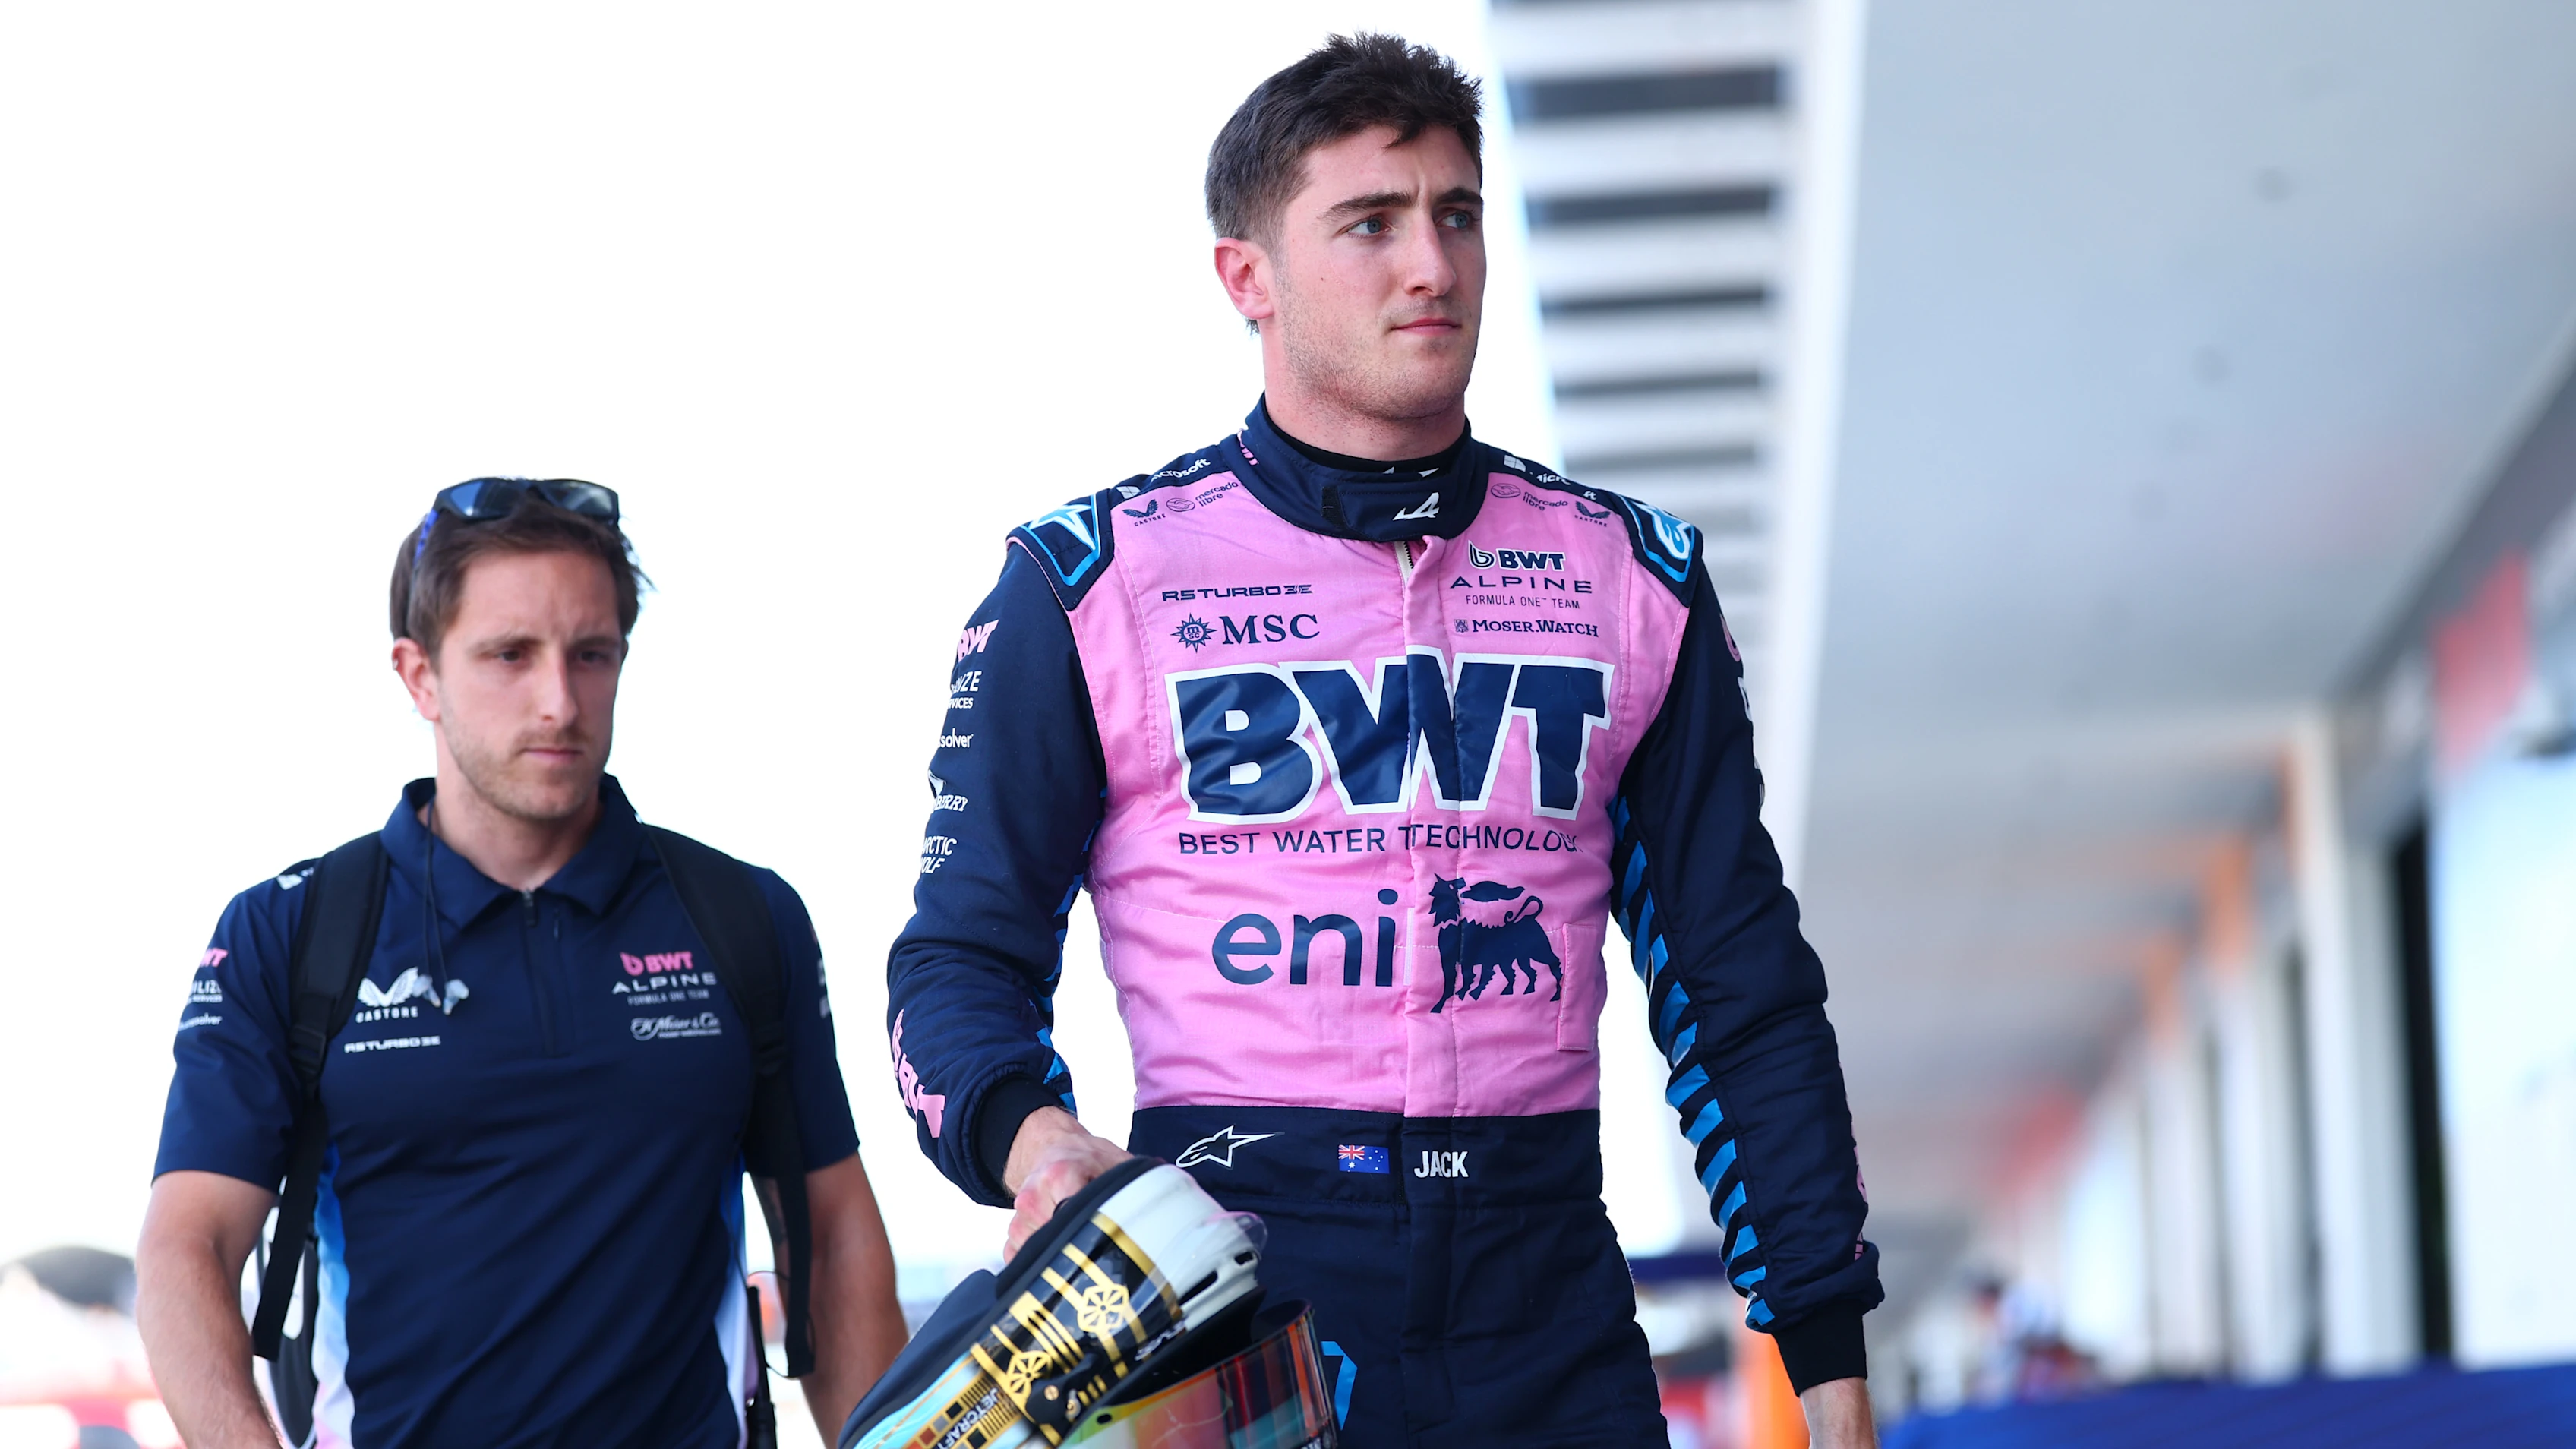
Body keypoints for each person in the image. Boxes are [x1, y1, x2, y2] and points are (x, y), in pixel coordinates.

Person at [886, 34, 1882, 1448]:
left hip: (1548, 1297)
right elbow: (954, 961)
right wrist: (1030, 1138)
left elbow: (1744, 996)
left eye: (1456, 213)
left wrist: (1830, 1372)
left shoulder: (1632, 576)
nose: (1433, 264)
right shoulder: (1086, 579)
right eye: (1370, 222)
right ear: (1249, 278)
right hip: (1233, 1287)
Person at [137, 481, 907, 1448]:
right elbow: (186, 1250)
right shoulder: (292, 934)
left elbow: (829, 1238)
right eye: (510, 655)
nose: (559, 700)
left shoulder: (741, 917)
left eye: (592, 656)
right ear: (418, 676)